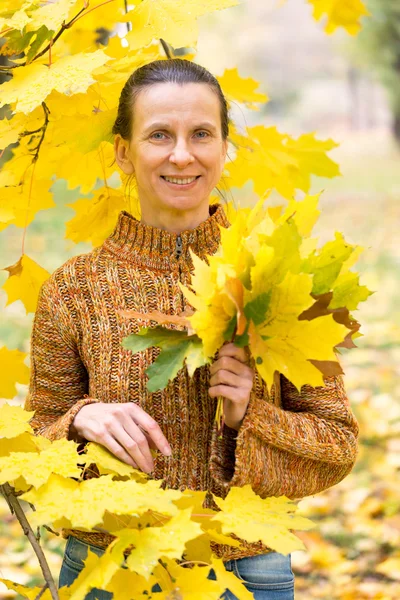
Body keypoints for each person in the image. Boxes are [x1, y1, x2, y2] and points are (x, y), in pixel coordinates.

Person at [25, 58, 360, 600]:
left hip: (247, 571)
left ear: (224, 148)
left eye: (201, 134)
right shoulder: (73, 290)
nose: (182, 155)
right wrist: (79, 419)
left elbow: (338, 446)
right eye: (159, 134)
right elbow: (33, 445)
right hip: (109, 568)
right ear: (123, 152)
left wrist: (251, 416)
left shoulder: (277, 278)